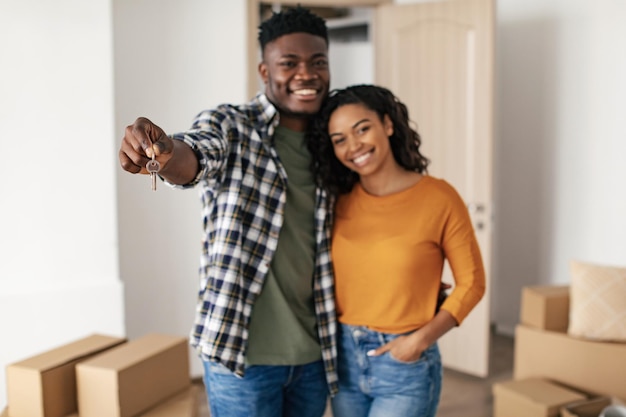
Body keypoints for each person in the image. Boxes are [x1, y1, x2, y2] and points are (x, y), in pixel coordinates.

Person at [118, 7, 337, 417]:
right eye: (289, 63)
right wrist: (164, 154)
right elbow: (198, 154)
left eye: (317, 62)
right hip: (241, 356)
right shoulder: (232, 125)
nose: (306, 74)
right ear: (265, 70)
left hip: (315, 354)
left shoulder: (336, 143)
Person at [307, 84, 486, 417]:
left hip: (404, 361)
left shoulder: (439, 197)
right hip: (343, 357)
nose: (354, 145)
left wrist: (417, 342)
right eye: (339, 139)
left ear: (387, 125)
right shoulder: (337, 203)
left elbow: (473, 282)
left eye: (362, 129)